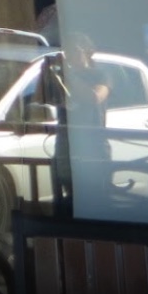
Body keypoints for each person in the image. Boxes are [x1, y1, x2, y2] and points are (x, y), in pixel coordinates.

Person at [48, 32, 110, 214]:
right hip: (67, 143)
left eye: (74, 50)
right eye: (67, 50)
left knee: (97, 197)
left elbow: (94, 97)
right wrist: (49, 73)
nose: (70, 55)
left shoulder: (100, 74)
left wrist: (69, 77)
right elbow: (42, 99)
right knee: (69, 197)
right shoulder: (62, 76)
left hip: (93, 143)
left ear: (87, 51)